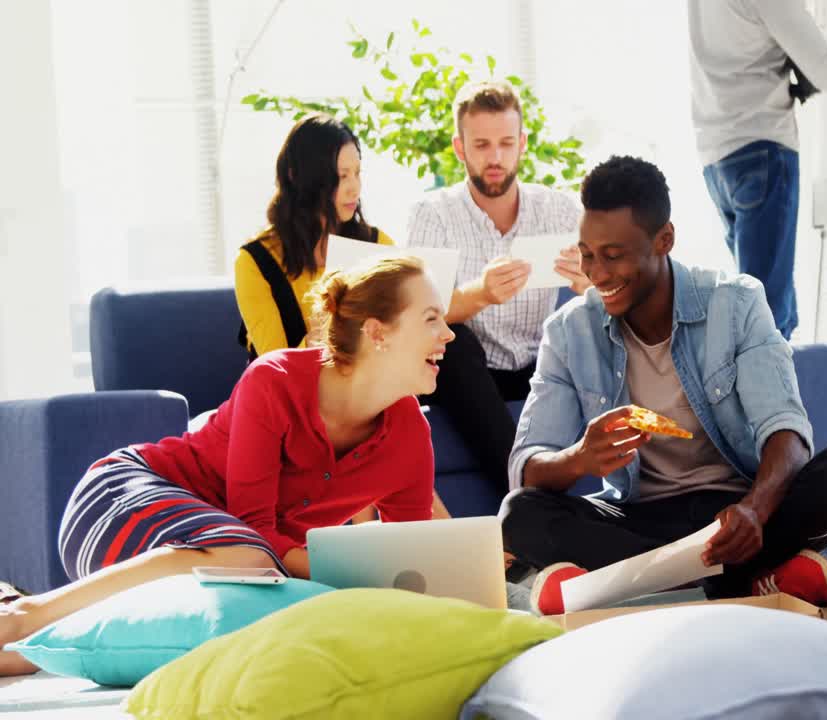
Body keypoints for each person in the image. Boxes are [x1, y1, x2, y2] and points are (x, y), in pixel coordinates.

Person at [0, 257, 454, 676]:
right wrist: (339, 573)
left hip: (224, 561)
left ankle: (25, 652)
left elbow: (409, 558)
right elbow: (252, 526)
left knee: (268, 592)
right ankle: (26, 616)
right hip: (123, 499)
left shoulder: (410, 435)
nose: (448, 333)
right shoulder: (275, 380)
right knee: (253, 560)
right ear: (378, 333)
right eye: (430, 319)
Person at [500, 156, 827, 616]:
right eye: (588, 255)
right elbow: (529, 463)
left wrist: (755, 511)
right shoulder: (568, 330)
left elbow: (786, 431)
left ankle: (642, 587)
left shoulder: (735, 303)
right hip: (639, 519)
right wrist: (579, 458)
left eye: (614, 256)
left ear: (665, 240)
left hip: (735, 512)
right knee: (519, 514)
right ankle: (749, 580)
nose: (596, 275)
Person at [406, 80, 588, 499]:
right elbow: (419, 316)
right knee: (451, 342)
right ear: (459, 147)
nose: (495, 158)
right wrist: (481, 294)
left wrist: (588, 286)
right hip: (471, 374)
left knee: (592, 325)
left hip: (538, 366)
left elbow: (611, 294)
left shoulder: (559, 210)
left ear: (522, 144)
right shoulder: (433, 214)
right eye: (482, 145)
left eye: (506, 143)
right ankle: (527, 495)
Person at [688, 0, 827, 339]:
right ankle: (765, 391)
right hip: (761, 149)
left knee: (764, 307)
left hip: (717, 157)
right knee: (767, 318)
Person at [235, 113, 395, 359]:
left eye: (357, 173)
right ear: (297, 177)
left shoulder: (377, 245)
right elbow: (274, 370)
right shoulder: (256, 262)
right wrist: (330, 322)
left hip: (368, 391)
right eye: (342, 176)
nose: (355, 187)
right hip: (291, 393)